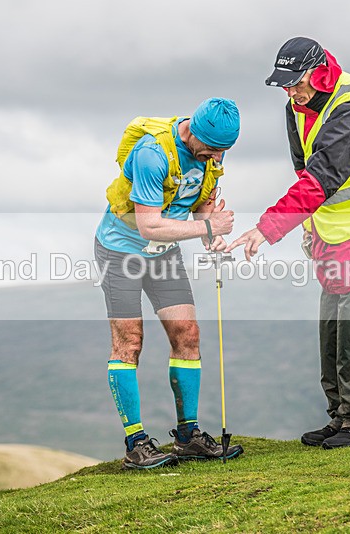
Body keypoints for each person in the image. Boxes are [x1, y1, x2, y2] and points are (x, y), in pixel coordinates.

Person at [227, 37, 350, 449]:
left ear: (316, 72)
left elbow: (321, 177)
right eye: (284, 85)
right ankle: (342, 417)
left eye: (294, 83)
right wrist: (308, 227)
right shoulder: (297, 104)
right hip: (331, 228)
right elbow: (303, 168)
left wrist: (267, 228)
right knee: (331, 328)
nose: (289, 92)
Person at [95, 98, 245, 469]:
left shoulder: (213, 152)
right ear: (193, 130)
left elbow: (201, 204)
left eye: (222, 153)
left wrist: (211, 233)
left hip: (163, 254)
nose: (215, 158)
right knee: (130, 342)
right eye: (210, 150)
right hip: (121, 252)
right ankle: (136, 443)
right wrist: (208, 227)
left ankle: (188, 436)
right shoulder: (152, 154)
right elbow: (149, 225)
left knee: (187, 334)